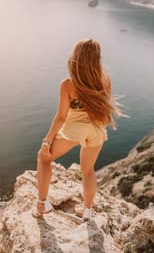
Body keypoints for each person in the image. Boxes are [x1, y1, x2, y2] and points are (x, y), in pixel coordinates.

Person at [32, 38, 123, 220]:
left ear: (76, 57)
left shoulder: (68, 84)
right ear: (96, 58)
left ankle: (42, 205)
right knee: (87, 170)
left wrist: (48, 140)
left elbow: (61, 116)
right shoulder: (105, 81)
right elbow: (104, 109)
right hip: (97, 129)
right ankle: (87, 211)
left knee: (43, 158)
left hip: (75, 129)